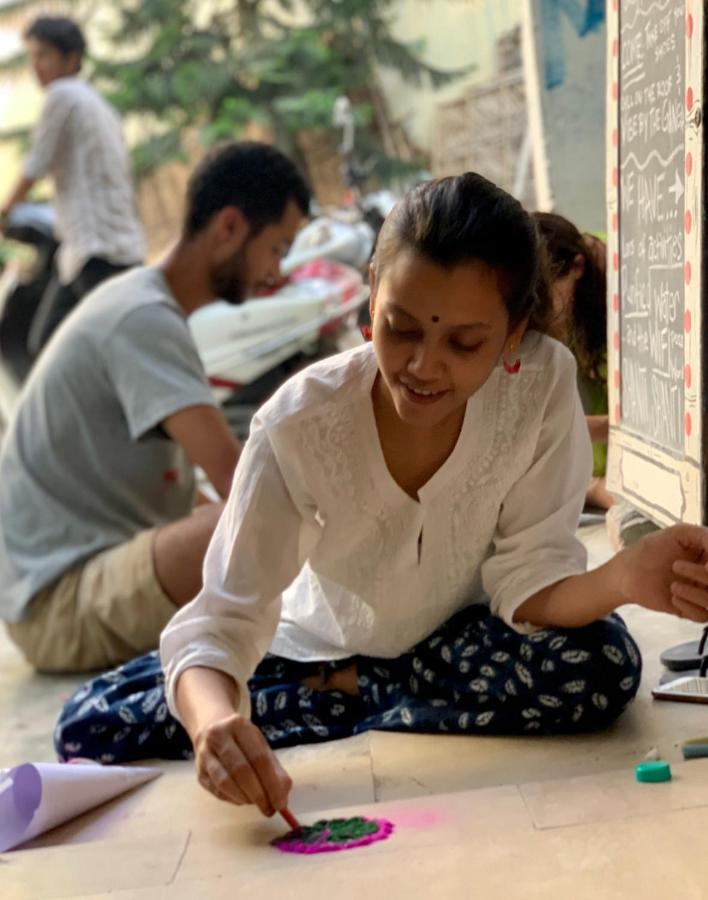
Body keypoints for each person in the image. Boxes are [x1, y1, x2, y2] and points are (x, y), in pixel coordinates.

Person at [55, 173, 708, 821]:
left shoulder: (540, 383)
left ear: (513, 335)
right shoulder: (298, 424)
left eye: (464, 342)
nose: (424, 366)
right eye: (400, 328)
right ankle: (359, 689)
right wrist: (215, 727)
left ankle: (357, 695)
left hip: (460, 641)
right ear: (371, 293)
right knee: (92, 725)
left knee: (603, 664)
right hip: (312, 649)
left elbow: (529, 579)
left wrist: (624, 577)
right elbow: (226, 616)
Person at [0, 141, 310, 673]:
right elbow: (244, 481)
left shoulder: (145, 305)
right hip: (58, 604)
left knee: (254, 519)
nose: (276, 272)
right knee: (264, 513)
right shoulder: (142, 317)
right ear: (230, 227)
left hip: (75, 581)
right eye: (277, 248)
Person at [0, 15, 145, 355]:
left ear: (72, 58)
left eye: (44, 56)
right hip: (110, 247)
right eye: (32, 56)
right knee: (57, 345)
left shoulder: (62, 96)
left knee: (58, 347)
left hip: (96, 251)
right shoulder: (97, 104)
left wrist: (4, 211)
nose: (36, 66)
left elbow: (34, 166)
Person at [533, 211, 612, 510]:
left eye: (545, 295)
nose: (539, 314)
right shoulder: (567, 309)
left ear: (577, 266)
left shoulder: (632, 285)